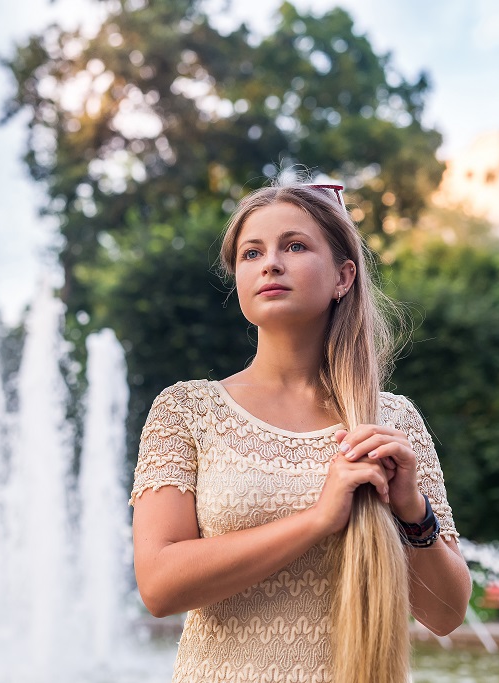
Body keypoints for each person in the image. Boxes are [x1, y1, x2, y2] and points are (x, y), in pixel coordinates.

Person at [130, 182, 471, 683]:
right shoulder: (186, 410)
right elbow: (159, 586)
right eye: (252, 252)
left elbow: (446, 614)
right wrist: (316, 519)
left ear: (342, 276)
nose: (270, 263)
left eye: (294, 246)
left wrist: (410, 509)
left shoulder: (392, 421)